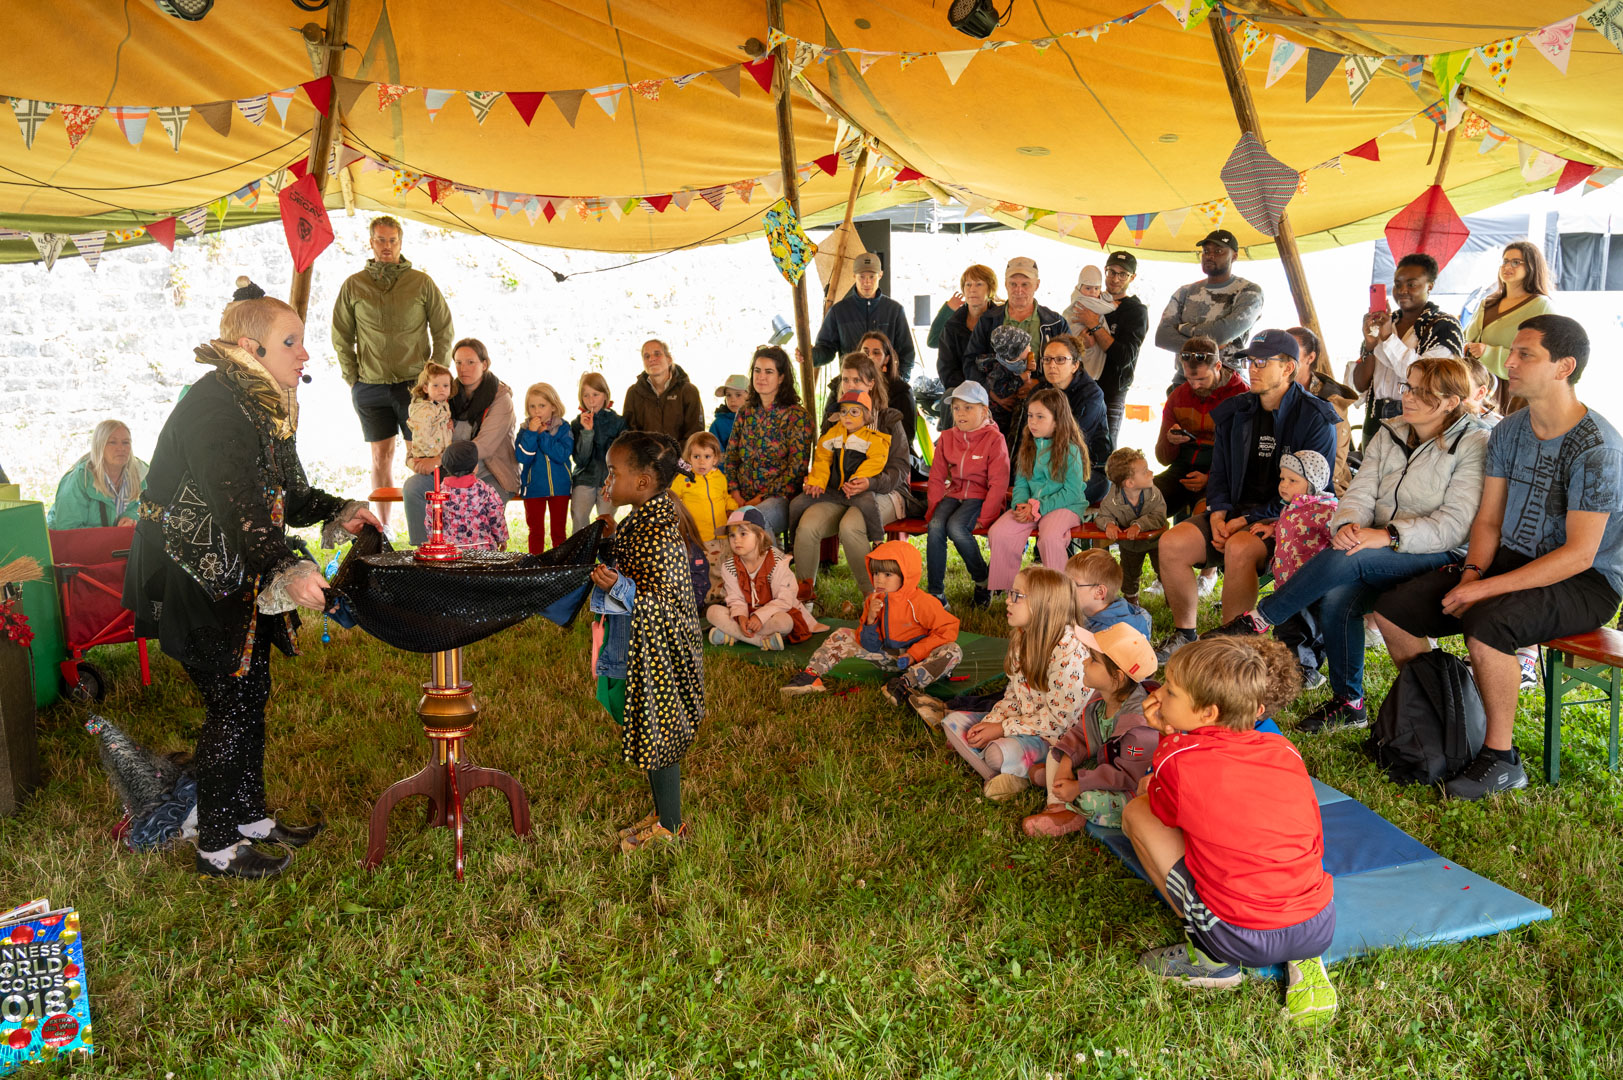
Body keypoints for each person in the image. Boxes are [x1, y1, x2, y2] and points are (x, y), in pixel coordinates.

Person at [124, 278, 381, 878]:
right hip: (194, 575)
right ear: (249, 348)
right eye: (291, 341)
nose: (305, 353)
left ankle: (248, 818)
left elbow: (288, 494)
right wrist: (287, 568)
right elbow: (237, 504)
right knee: (230, 704)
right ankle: (217, 846)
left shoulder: (264, 402)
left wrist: (338, 510)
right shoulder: (214, 406)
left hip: (239, 568)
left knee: (250, 694)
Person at [1372, 315, 1623, 799]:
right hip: (1511, 559)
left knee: (1488, 625)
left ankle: (1501, 759)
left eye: (1526, 355)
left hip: (1587, 581)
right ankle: (1447, 724)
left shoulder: (1599, 448)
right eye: (1512, 353)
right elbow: (1487, 522)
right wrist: (1471, 574)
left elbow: (1578, 554)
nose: (1509, 363)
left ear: (1564, 367)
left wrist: (1484, 589)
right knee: (1394, 611)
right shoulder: (1509, 430)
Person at [1210, 357, 1492, 732]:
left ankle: (1260, 619)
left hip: (1440, 551)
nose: (1407, 397)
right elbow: (1359, 493)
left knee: (1352, 559)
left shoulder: (1474, 441)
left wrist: (1388, 535)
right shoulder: (1390, 432)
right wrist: (1347, 525)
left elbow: (1455, 524)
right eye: (1408, 387)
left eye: (1422, 392)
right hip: (1374, 543)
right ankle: (1349, 703)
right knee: (1338, 596)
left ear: (1452, 402)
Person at [1123, 636, 1337, 1028]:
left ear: (1208, 712)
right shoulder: (1284, 749)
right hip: (1318, 921)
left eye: (1171, 690)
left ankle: (1211, 960)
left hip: (1238, 935)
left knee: (1137, 811)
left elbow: (1161, 811)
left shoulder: (1177, 756)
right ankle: (1304, 956)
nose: (1159, 694)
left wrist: (1167, 737)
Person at [1153, 330, 1339, 659]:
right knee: (1171, 543)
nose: (1253, 368)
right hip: (1234, 512)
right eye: (1251, 361)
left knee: (1239, 547)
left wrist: (1248, 519)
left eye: (1263, 362)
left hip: (1287, 519)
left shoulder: (1315, 418)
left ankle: (1234, 651)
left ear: (1288, 368)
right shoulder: (1235, 410)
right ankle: (1185, 635)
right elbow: (1220, 472)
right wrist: (1218, 513)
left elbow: (1310, 492)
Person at [588, 431, 705, 852]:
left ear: (641, 482)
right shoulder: (641, 520)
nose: (607, 480)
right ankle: (663, 816)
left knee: (659, 730)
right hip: (635, 643)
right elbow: (632, 565)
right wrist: (609, 540)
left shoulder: (660, 532)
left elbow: (667, 602)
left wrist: (618, 585)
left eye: (613, 472)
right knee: (644, 723)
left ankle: (671, 826)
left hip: (656, 653)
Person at [331, 216, 454, 527]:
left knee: (422, 456)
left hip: (414, 386)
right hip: (369, 386)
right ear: (371, 242)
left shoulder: (421, 282)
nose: (386, 246)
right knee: (380, 458)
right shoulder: (354, 285)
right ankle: (382, 529)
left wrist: (433, 378)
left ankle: (430, 528)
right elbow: (341, 335)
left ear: (400, 243)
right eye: (381, 240)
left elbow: (443, 329)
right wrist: (352, 378)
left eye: (392, 240)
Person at [939, 566, 1087, 801]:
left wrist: (1001, 729)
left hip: (1058, 739)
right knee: (952, 723)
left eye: (1017, 595)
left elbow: (1060, 722)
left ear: (1043, 604)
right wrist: (993, 720)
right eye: (1011, 593)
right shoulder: (1022, 637)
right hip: (1023, 724)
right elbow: (1014, 695)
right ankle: (1012, 772)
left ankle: (1008, 773)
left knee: (995, 754)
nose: (1008, 600)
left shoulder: (1068, 651)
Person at [792, 354, 913, 599]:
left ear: (871, 383)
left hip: (884, 492)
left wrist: (870, 482)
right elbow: (824, 458)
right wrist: (817, 483)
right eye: (846, 379)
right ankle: (804, 600)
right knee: (807, 526)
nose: (850, 385)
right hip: (840, 493)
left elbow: (900, 469)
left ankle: (873, 598)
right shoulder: (835, 419)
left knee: (850, 526)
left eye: (857, 380)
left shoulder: (888, 419)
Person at [1021, 622, 1158, 836]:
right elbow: (1080, 734)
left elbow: (1126, 777)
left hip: (1130, 790)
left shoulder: (1140, 729)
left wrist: (1079, 785)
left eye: (1093, 660)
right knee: (1056, 755)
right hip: (1102, 768)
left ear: (1117, 677)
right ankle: (1059, 794)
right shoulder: (1101, 697)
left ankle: (1067, 812)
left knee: (1088, 799)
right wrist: (1065, 765)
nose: (1085, 662)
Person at [780, 541, 961, 700]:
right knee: (842, 634)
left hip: (920, 660)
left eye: (888, 575)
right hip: (889, 657)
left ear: (906, 575)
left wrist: (914, 654)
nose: (879, 579)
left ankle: (903, 684)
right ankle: (811, 676)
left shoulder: (923, 602)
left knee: (953, 651)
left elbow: (948, 629)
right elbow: (869, 645)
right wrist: (870, 620)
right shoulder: (873, 600)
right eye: (875, 573)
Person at [402, 339, 517, 545]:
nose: (463, 368)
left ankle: (480, 556)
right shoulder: (445, 391)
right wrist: (415, 461)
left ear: (484, 364)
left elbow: (485, 446)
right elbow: (422, 432)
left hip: (490, 472)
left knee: (478, 500)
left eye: (470, 362)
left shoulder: (500, 398)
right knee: (414, 488)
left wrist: (437, 460)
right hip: (451, 470)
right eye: (458, 362)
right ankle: (426, 552)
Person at [1351, 253, 1464, 451]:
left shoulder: (1444, 327)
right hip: (1375, 418)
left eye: (1411, 284)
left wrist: (1388, 338)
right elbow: (1360, 385)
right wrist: (1369, 345)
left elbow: (1427, 378)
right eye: (1397, 284)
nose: (1402, 290)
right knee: (1371, 469)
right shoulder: (1386, 322)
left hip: (1418, 422)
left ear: (1430, 286)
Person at [986, 388, 1090, 592]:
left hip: (1065, 506)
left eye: (1040, 417)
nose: (1032, 422)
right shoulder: (1028, 446)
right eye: (1030, 416)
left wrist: (1039, 507)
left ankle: (1060, 593)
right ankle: (1010, 591)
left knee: (1050, 538)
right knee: (999, 532)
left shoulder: (1070, 450)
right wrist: (1020, 505)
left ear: (1057, 420)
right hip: (1031, 506)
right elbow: (1021, 483)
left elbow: (1072, 492)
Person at [925, 381, 1009, 607]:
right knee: (935, 526)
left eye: (968, 407)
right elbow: (936, 476)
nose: (960, 413)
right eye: (956, 408)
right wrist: (933, 508)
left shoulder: (994, 439)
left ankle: (982, 581)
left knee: (956, 527)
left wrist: (987, 516)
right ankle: (935, 593)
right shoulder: (947, 437)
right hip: (954, 494)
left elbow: (999, 483)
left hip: (980, 497)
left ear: (984, 410)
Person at [1153, 337, 1248, 521]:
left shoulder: (1241, 396)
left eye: (1202, 379)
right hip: (1183, 470)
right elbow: (1163, 459)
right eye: (1189, 379)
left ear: (1218, 366)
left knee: (1202, 520)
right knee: (1139, 501)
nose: (1195, 386)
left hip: (1222, 473)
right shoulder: (1178, 396)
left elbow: (1243, 458)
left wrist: (1209, 478)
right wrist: (1170, 441)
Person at [725, 345, 815, 540]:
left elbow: (796, 470)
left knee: (754, 521)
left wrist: (760, 499)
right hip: (739, 495)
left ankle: (772, 562)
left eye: (769, 372)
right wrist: (735, 492)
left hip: (778, 498)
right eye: (757, 371)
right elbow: (731, 456)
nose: (761, 377)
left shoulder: (797, 416)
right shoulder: (745, 412)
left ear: (781, 377)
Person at [706, 506, 825, 651]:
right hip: (748, 613)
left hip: (776, 612)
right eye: (732, 535)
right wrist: (741, 617)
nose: (736, 540)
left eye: (743, 534)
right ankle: (761, 641)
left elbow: (785, 600)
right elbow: (735, 599)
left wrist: (760, 616)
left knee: (784, 623)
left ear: (760, 535)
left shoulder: (777, 562)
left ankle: (734, 634)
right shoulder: (729, 566)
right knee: (712, 612)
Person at [1012, 335, 1111, 504]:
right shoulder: (1039, 390)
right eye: (1047, 359)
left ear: (1075, 365)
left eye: (1060, 360)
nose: (1052, 365)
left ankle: (1037, 506)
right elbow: (1026, 433)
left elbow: (1072, 438)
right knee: (1017, 487)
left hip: (1086, 469)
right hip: (1042, 467)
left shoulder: (1091, 395)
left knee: (1056, 491)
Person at [1155, 230, 1264, 381]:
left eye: (1218, 251)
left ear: (1234, 256)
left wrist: (1184, 328)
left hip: (1227, 380)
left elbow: (1221, 333)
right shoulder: (1184, 292)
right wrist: (1211, 346)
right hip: (1185, 380)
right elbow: (1162, 337)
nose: (1210, 256)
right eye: (1206, 251)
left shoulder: (1249, 291)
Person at [1463, 241, 1554, 416]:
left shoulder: (1541, 306)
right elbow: (1467, 338)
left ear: (1531, 266)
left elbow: (1545, 357)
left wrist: (1489, 352)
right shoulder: (1488, 303)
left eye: (1515, 262)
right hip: (1476, 386)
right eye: (1505, 261)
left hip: (1513, 391)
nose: (1507, 267)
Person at [791, 390, 892, 544]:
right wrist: (817, 481)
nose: (847, 416)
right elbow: (822, 457)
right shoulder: (834, 434)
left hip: (856, 490)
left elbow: (876, 460)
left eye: (854, 412)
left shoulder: (873, 438)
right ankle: (792, 544)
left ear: (866, 415)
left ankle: (878, 540)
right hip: (833, 490)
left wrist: (856, 481)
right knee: (796, 504)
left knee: (869, 504)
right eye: (843, 412)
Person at [961, 257, 1068, 391]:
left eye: (1025, 284)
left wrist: (1039, 385)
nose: (1018, 290)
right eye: (1013, 284)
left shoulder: (1056, 323)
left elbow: (1071, 364)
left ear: (1037, 285)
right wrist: (992, 393)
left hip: (1044, 397)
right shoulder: (988, 320)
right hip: (995, 400)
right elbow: (970, 362)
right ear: (1005, 284)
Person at [813, 251, 917, 380]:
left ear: (880, 275)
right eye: (862, 276)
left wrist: (900, 381)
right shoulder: (838, 312)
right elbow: (826, 349)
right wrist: (810, 356)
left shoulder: (895, 310)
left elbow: (907, 353)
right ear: (854, 276)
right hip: (851, 384)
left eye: (872, 277)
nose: (867, 282)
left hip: (886, 384)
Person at [1090, 449, 1168, 607]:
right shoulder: (1113, 499)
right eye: (1145, 471)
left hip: (1157, 542)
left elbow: (1159, 515)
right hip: (1130, 544)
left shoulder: (1153, 493)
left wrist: (1139, 525)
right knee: (1129, 572)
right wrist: (1109, 524)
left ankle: (1172, 596)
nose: (1151, 473)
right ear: (1130, 483)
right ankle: (1131, 600)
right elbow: (1103, 516)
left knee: (1165, 568)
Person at [1287, 326, 1358, 496]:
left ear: (1310, 358)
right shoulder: (1276, 392)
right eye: (1280, 352)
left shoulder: (1331, 402)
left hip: (1323, 490)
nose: (1284, 358)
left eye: (1291, 352)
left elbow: (1332, 466)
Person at [1088, 251, 1149, 447]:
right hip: (1084, 386)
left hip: (1112, 391)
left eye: (1123, 274)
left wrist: (1095, 326)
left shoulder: (1136, 311)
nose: (1115, 279)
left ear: (1132, 277)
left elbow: (1124, 356)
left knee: (1105, 450)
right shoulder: (1091, 300)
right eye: (1112, 272)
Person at [823, 331, 917, 457]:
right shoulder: (839, 386)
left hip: (886, 457)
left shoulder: (901, 391)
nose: (870, 356)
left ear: (886, 359)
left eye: (876, 353)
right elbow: (825, 432)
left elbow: (906, 439)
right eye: (865, 351)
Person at [932, 264, 1000, 426]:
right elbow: (946, 367)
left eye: (979, 284)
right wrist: (967, 392)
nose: (972, 289)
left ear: (990, 289)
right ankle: (949, 441)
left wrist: (986, 391)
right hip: (959, 389)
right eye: (968, 284)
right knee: (951, 398)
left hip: (994, 389)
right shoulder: (952, 324)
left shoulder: (1000, 320)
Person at [48, 419, 145, 529]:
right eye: (112, 442)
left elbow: (143, 507)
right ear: (99, 446)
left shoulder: (141, 474)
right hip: (71, 538)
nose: (121, 448)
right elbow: (68, 528)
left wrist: (130, 518)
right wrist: (109, 534)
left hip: (116, 538)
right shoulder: (80, 478)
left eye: (126, 442)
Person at [514, 382, 574, 552]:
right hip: (534, 489)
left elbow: (561, 454)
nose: (537, 411)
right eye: (532, 406)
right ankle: (535, 564)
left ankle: (558, 564)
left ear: (553, 406)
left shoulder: (563, 428)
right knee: (536, 532)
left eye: (542, 405)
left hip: (560, 488)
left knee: (559, 532)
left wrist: (542, 435)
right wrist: (531, 433)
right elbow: (523, 457)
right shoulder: (525, 430)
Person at [569, 373, 626, 534]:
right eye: (586, 395)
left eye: (595, 394)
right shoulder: (577, 423)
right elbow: (580, 460)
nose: (591, 400)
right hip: (584, 477)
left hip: (609, 480)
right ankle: (580, 549)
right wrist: (587, 432)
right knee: (579, 515)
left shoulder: (618, 422)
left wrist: (613, 480)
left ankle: (607, 550)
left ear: (605, 395)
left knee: (606, 521)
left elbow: (621, 457)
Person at [623, 338, 704, 444]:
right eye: (647, 356)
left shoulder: (688, 391)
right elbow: (629, 435)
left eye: (657, 354)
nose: (652, 359)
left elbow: (695, 435)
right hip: (644, 454)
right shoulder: (633, 393)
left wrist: (673, 453)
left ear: (669, 359)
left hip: (681, 454)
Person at [436, 440, 508, 552]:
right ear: (474, 467)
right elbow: (496, 516)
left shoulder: (439, 494)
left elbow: (432, 520)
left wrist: (434, 539)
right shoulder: (486, 491)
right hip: (483, 550)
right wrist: (501, 538)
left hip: (450, 551)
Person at [1065, 549, 1152, 638]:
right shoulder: (1085, 609)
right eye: (1065, 581)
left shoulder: (1108, 635)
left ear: (1099, 592)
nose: (1065, 588)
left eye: (1073, 584)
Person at [671, 431, 737, 542]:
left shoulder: (719, 477)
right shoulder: (683, 478)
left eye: (707, 456)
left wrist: (732, 508)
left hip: (722, 535)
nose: (701, 462)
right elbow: (671, 499)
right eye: (696, 456)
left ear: (715, 459)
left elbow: (725, 496)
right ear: (689, 458)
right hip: (696, 537)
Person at [1064, 265, 1115, 381]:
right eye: (1088, 288)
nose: (1093, 292)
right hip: (1079, 332)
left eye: (1096, 288)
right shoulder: (1082, 300)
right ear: (1079, 287)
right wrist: (1113, 305)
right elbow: (1105, 307)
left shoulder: (1095, 299)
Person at [405, 362, 455, 464]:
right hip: (427, 456)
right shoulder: (424, 411)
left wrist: (448, 423)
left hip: (441, 454)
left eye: (446, 385)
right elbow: (422, 437)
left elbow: (438, 423)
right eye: (435, 385)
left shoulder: (442, 404)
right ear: (425, 388)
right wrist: (437, 453)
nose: (442, 389)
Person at [711, 374, 750, 456]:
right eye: (728, 395)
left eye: (738, 395)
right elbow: (713, 453)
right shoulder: (718, 424)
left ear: (749, 396)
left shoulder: (757, 420)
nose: (732, 400)